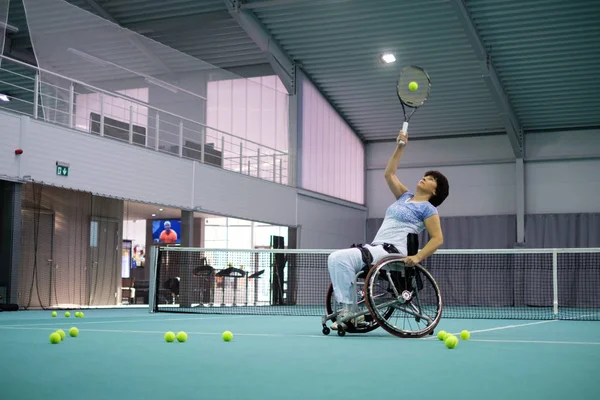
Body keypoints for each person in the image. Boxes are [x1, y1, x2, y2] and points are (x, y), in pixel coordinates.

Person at [328, 130, 449, 329]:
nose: (424, 178)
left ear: (435, 191)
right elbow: (389, 173)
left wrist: (417, 257)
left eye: (430, 179)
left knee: (339, 258)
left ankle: (350, 312)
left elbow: (437, 239)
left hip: (392, 252)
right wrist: (400, 147)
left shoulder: (428, 208)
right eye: (425, 176)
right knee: (336, 259)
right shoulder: (404, 196)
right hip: (376, 248)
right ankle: (350, 310)